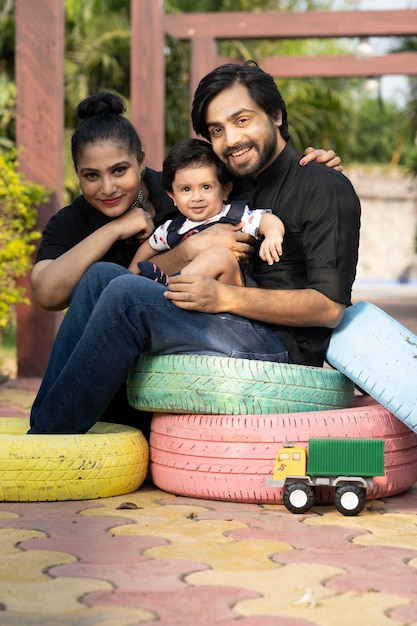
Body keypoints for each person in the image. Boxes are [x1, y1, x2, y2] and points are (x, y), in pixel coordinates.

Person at [28, 71, 356, 435]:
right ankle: (42, 424)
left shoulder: (322, 185)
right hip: (228, 322)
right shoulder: (234, 177)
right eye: (217, 130)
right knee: (101, 276)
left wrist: (226, 296)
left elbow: (328, 308)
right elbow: (50, 290)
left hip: (279, 347)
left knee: (126, 295)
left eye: (241, 120)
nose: (231, 139)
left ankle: (48, 437)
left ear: (276, 114)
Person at [129, 137, 285, 287]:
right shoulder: (171, 228)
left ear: (225, 190)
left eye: (206, 187)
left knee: (219, 256)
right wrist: (129, 274)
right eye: (186, 189)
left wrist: (273, 234)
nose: (197, 198)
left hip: (228, 292)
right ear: (173, 196)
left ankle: (173, 283)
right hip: (190, 301)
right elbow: (149, 246)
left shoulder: (233, 215)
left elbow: (265, 219)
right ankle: (172, 285)